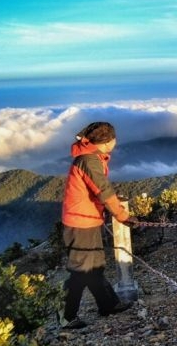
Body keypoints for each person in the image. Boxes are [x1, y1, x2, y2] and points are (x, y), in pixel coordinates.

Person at [59, 121, 138, 329]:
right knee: (80, 271)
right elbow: (102, 189)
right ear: (107, 141)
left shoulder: (89, 157)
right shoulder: (89, 160)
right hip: (80, 222)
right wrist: (122, 215)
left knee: (93, 268)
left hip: (85, 219)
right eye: (114, 137)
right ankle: (66, 316)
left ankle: (108, 305)